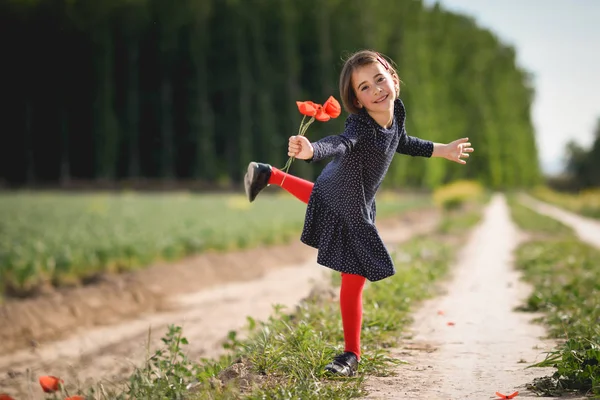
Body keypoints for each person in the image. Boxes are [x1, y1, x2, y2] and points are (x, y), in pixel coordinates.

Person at [243, 49, 474, 377]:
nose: (376, 89)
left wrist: (442, 150)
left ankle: (270, 174)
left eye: (379, 79)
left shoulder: (396, 116)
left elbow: (404, 142)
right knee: (355, 277)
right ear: (357, 100)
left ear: (393, 79)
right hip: (347, 197)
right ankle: (350, 354)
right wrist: (311, 151)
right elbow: (340, 142)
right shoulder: (359, 126)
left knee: (324, 203)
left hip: (352, 196)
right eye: (364, 87)